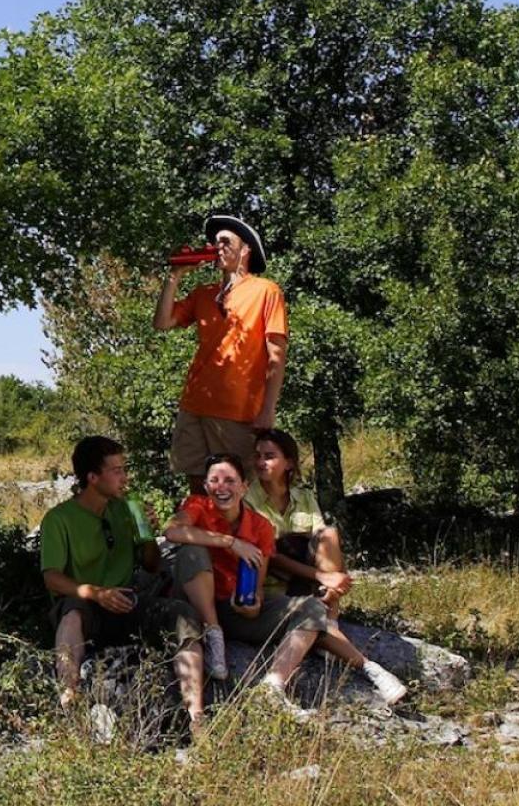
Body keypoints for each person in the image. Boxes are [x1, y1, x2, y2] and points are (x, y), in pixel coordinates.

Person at [163, 453, 405, 705]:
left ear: (244, 486)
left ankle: (274, 684)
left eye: (229, 480)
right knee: (193, 551)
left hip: (233, 608)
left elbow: (257, 587)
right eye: (214, 480)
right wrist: (231, 542)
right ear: (205, 486)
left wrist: (252, 605)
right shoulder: (197, 506)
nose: (221, 487)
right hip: (197, 608)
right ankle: (213, 635)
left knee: (310, 608)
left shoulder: (260, 527)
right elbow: (172, 531)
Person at [41, 436, 206, 733]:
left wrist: (145, 531)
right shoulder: (59, 519)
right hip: (87, 602)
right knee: (72, 614)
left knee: (182, 614)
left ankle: (196, 714)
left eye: (124, 468)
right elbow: (51, 577)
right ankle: (69, 695)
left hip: (127, 600)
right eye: (116, 470)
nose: (124, 477)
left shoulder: (126, 508)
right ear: (92, 477)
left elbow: (152, 565)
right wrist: (94, 592)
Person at [250, 429, 406, 703]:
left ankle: (330, 616)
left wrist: (331, 580)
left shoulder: (303, 496)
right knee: (307, 597)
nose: (261, 462)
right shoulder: (248, 498)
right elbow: (268, 555)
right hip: (273, 581)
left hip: (307, 578)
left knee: (330, 534)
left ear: (289, 462)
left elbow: (321, 538)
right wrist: (322, 575)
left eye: (270, 456)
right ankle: (365, 664)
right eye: (258, 456)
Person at [153, 215, 288, 493]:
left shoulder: (266, 290)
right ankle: (204, 537)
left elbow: (277, 354)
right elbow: (162, 322)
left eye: (226, 241)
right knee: (198, 485)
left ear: (246, 250)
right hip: (193, 404)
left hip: (236, 411)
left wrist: (268, 409)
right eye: (215, 242)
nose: (218, 247)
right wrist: (174, 275)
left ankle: (247, 538)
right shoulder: (204, 294)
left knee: (240, 490)